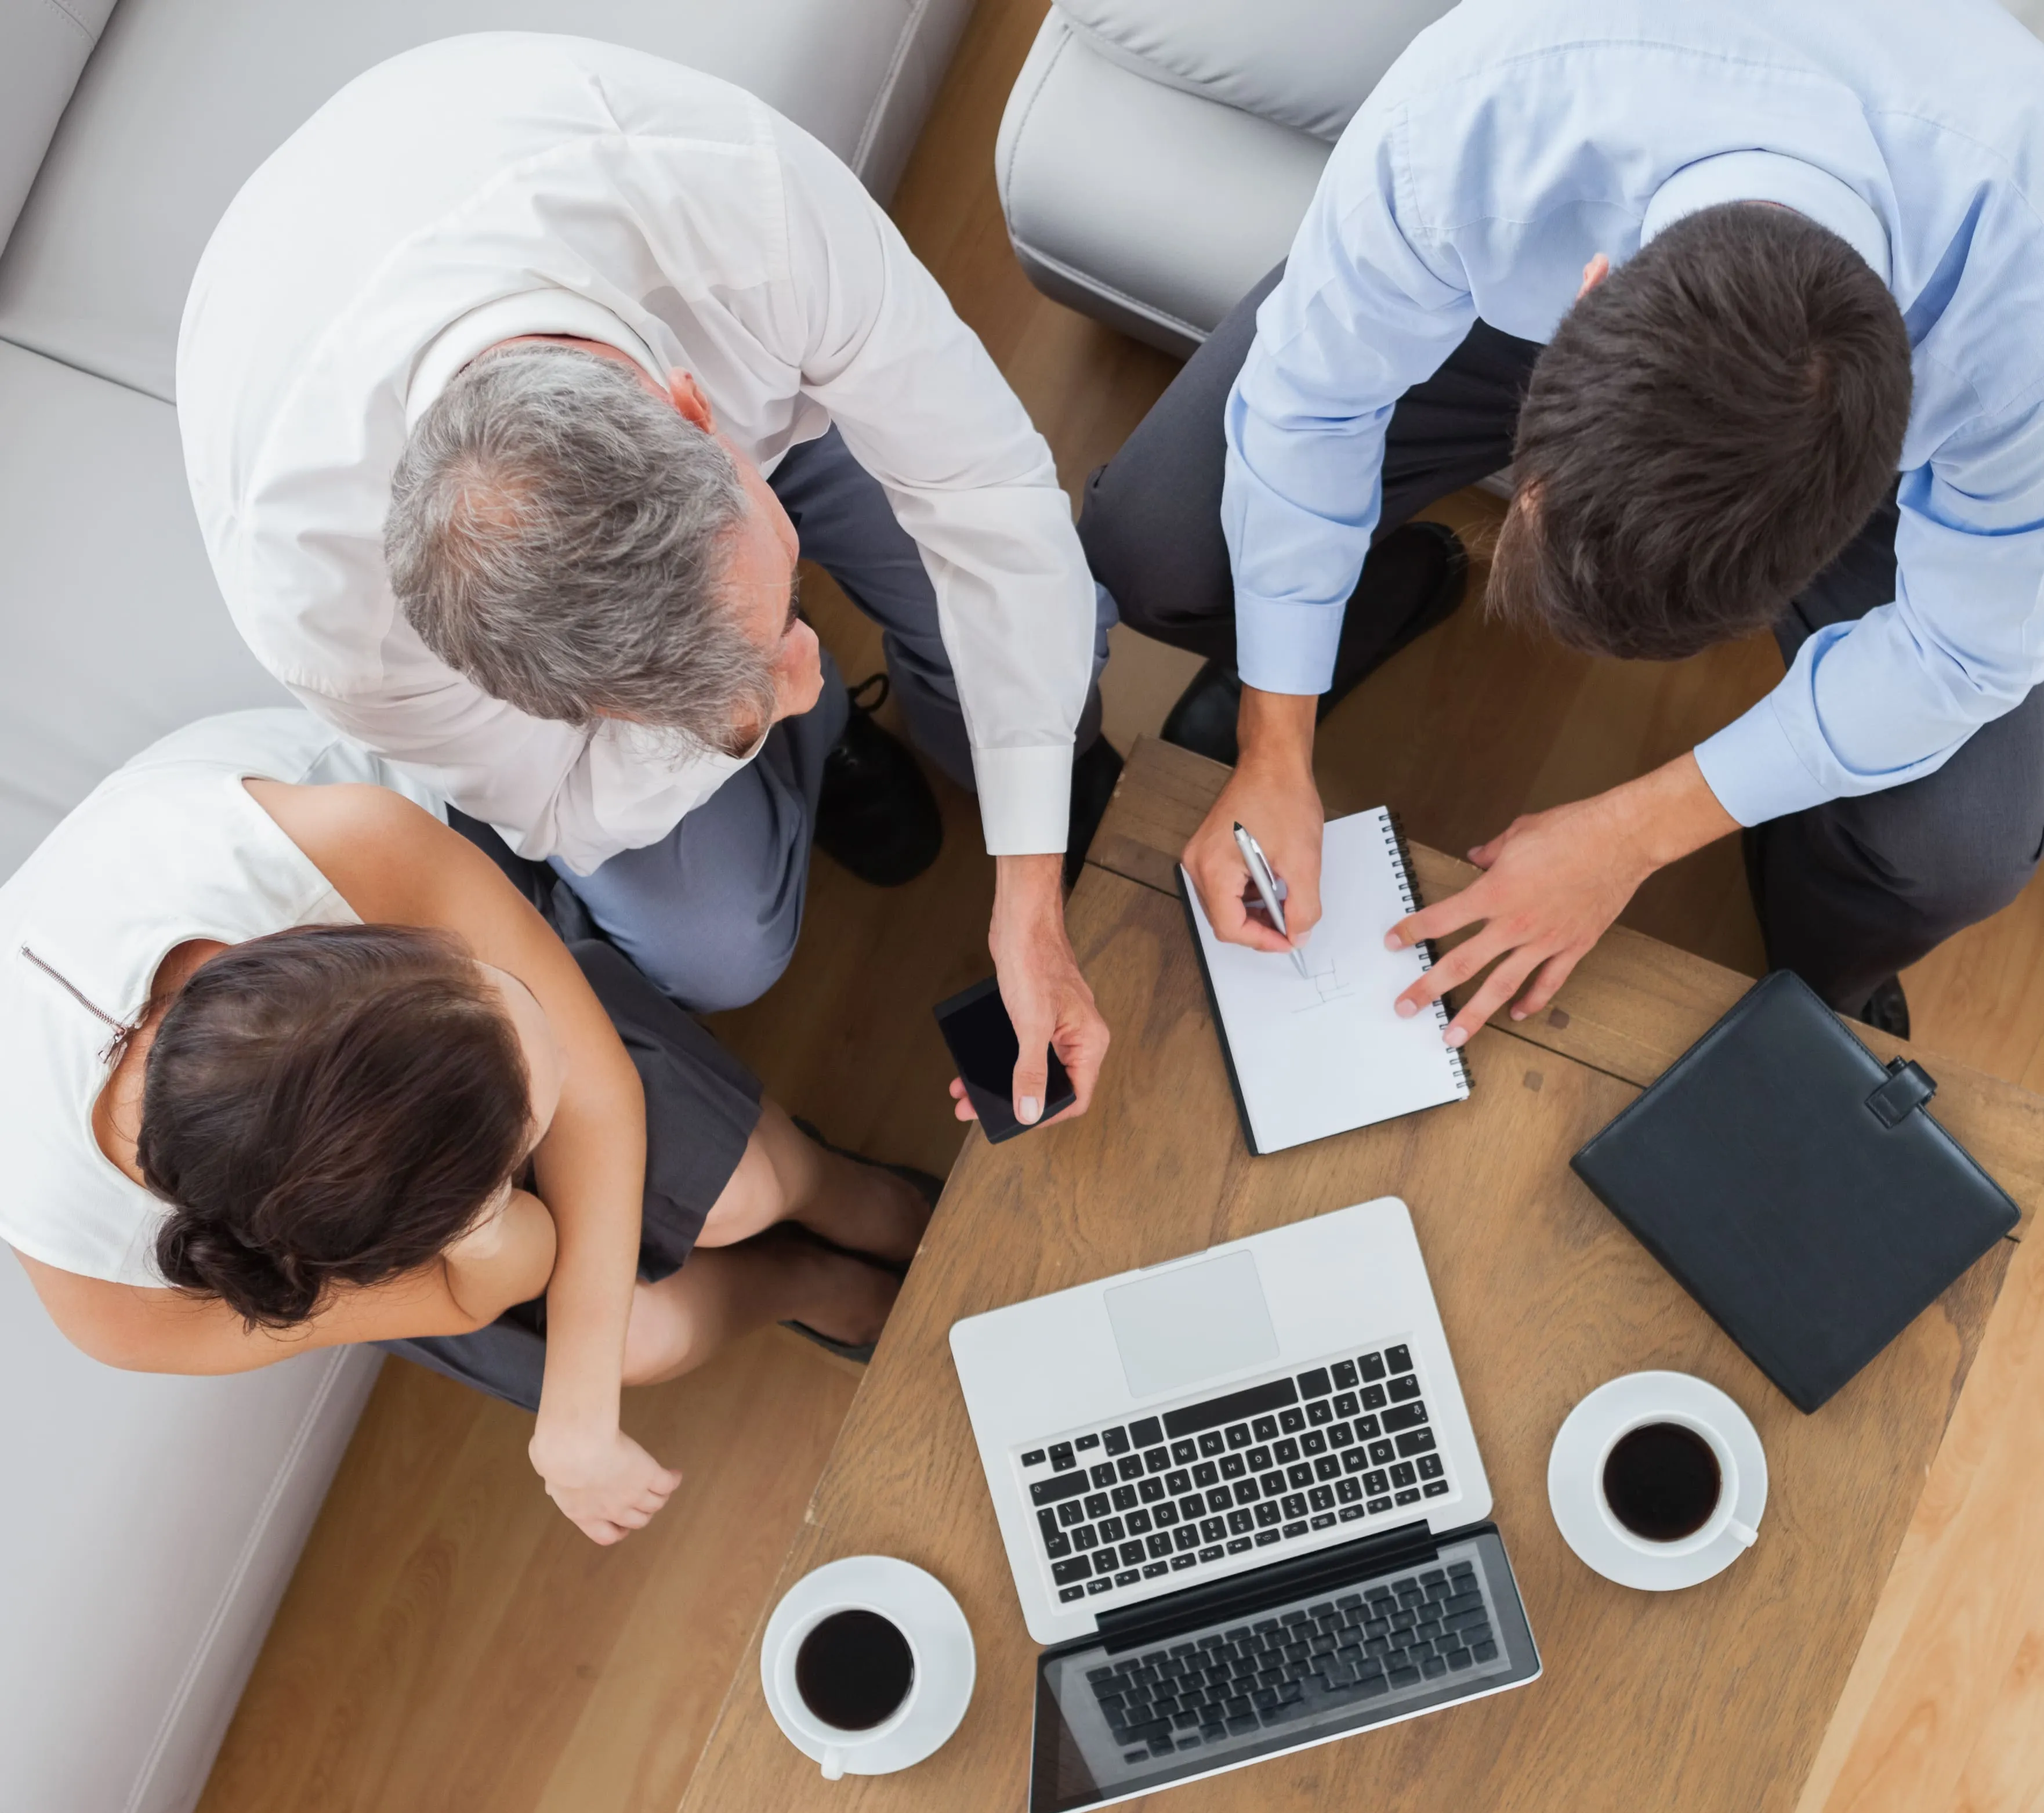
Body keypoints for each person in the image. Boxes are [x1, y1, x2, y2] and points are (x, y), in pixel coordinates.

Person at [178, 31, 1114, 1134]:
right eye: (770, 657)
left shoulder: (741, 209)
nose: (791, 656)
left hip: (762, 365)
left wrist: (1030, 896)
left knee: (1067, 641)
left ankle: (835, 704)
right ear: (526, 687)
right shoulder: (338, 630)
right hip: (410, 445)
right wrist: (743, 702)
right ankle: (815, 738)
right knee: (717, 950)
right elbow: (563, 803)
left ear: (692, 408)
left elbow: (990, 500)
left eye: (776, 621)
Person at [1081, 0, 2044, 1044]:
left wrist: (1635, 835)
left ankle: (1818, 955)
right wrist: (1273, 746)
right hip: (1549, 285)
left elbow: (1958, 657)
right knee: (1158, 543)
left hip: (1927, 396)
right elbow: (1306, 407)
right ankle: (1367, 608)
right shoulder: (1480, 115)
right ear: (1586, 295)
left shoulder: (2021, 333)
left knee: (1956, 853)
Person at [0, 710, 938, 1545]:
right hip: (340, 1186)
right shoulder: (114, 1303)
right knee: (634, 1343)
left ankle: (838, 1186)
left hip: (399, 915)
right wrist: (509, 1267)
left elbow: (591, 1088)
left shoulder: (340, 841)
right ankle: (807, 1281)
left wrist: (574, 1391)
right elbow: (473, 1291)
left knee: (745, 1190)